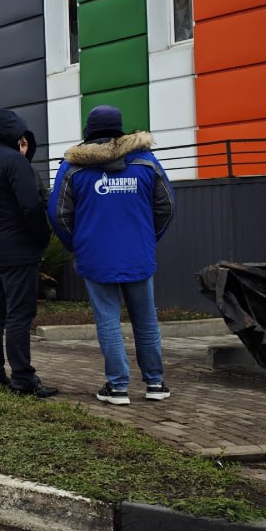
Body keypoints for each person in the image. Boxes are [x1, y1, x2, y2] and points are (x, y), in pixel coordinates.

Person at [49, 105, 176, 405]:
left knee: (107, 320)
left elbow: (58, 214)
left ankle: (118, 387)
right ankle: (155, 383)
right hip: (138, 255)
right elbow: (167, 207)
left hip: (96, 257)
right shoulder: (146, 161)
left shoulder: (74, 167)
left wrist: (77, 243)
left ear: (88, 131)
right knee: (146, 321)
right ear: (121, 129)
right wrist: (148, 238)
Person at [0, 108, 57, 398]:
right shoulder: (15, 161)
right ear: (13, 131)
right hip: (17, 248)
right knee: (19, 312)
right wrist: (42, 237)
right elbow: (30, 205)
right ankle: (23, 378)